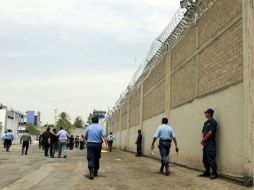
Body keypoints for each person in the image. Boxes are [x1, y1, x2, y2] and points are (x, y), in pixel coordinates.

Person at [199, 108, 218, 179]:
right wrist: (202, 140)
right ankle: (207, 171)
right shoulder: (205, 123)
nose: (205, 114)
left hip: (211, 143)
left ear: (209, 114)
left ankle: (214, 173)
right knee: (205, 159)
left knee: (211, 158)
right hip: (205, 143)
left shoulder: (213, 122)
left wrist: (203, 139)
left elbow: (211, 132)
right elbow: (202, 132)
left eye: (206, 112)